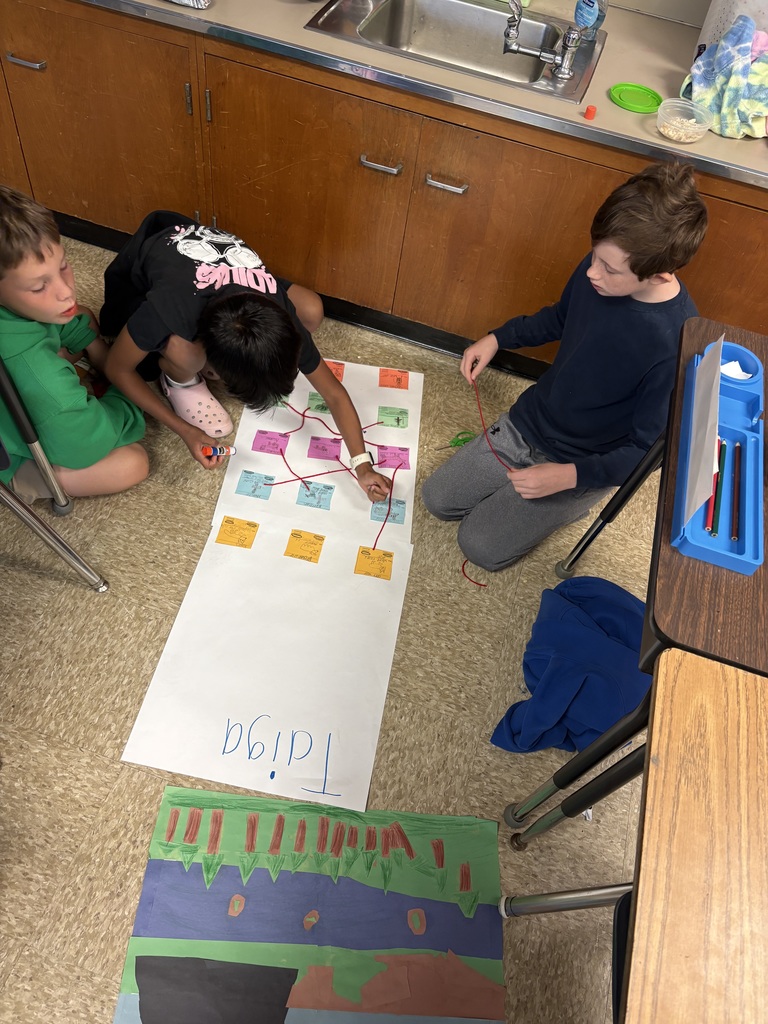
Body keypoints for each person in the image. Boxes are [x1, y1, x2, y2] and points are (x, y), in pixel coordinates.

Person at [422, 162, 708, 572]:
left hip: (583, 461)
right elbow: (560, 317)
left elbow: (646, 452)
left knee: (479, 545)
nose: (592, 271)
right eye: (595, 256)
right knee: (438, 499)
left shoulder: (673, 343)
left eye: (609, 269)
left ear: (660, 273)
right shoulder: (600, 269)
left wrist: (568, 477)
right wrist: (499, 337)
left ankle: (573, 502)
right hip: (532, 422)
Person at [101, 212, 391, 500]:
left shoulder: (283, 322)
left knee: (311, 308)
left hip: (221, 276)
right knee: (184, 354)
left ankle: (192, 369)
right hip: (143, 279)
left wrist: (362, 465)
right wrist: (185, 431)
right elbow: (117, 368)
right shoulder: (172, 306)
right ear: (215, 368)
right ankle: (180, 382)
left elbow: (335, 395)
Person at [0, 186, 147, 501]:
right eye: (40, 286)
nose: (66, 291)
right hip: (10, 446)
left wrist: (95, 349)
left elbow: (75, 320)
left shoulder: (13, 302)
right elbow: (86, 443)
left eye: (63, 266)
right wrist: (126, 393)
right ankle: (20, 481)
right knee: (133, 463)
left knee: (78, 316)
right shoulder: (44, 380)